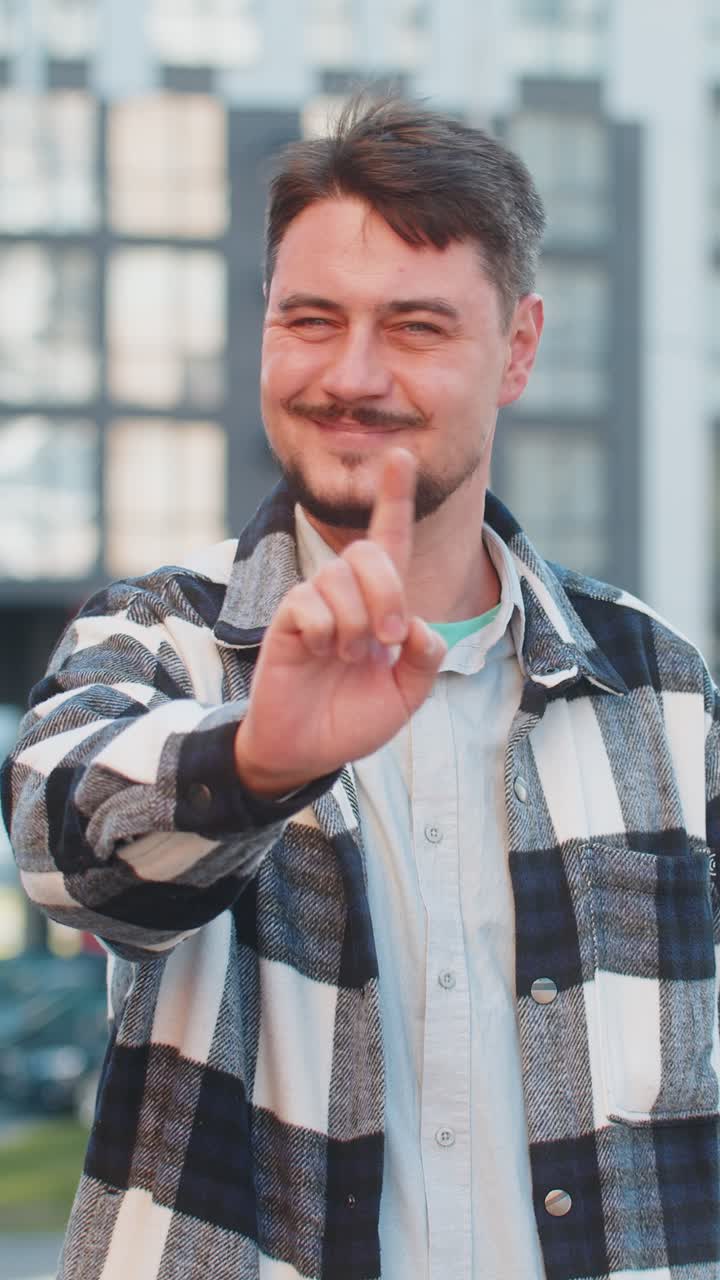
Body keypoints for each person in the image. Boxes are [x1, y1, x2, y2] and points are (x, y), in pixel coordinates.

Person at [2, 95, 719, 1280]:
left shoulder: (660, 688)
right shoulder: (160, 636)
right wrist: (257, 759)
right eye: (312, 318)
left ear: (521, 348)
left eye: (417, 326)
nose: (352, 373)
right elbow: (65, 851)